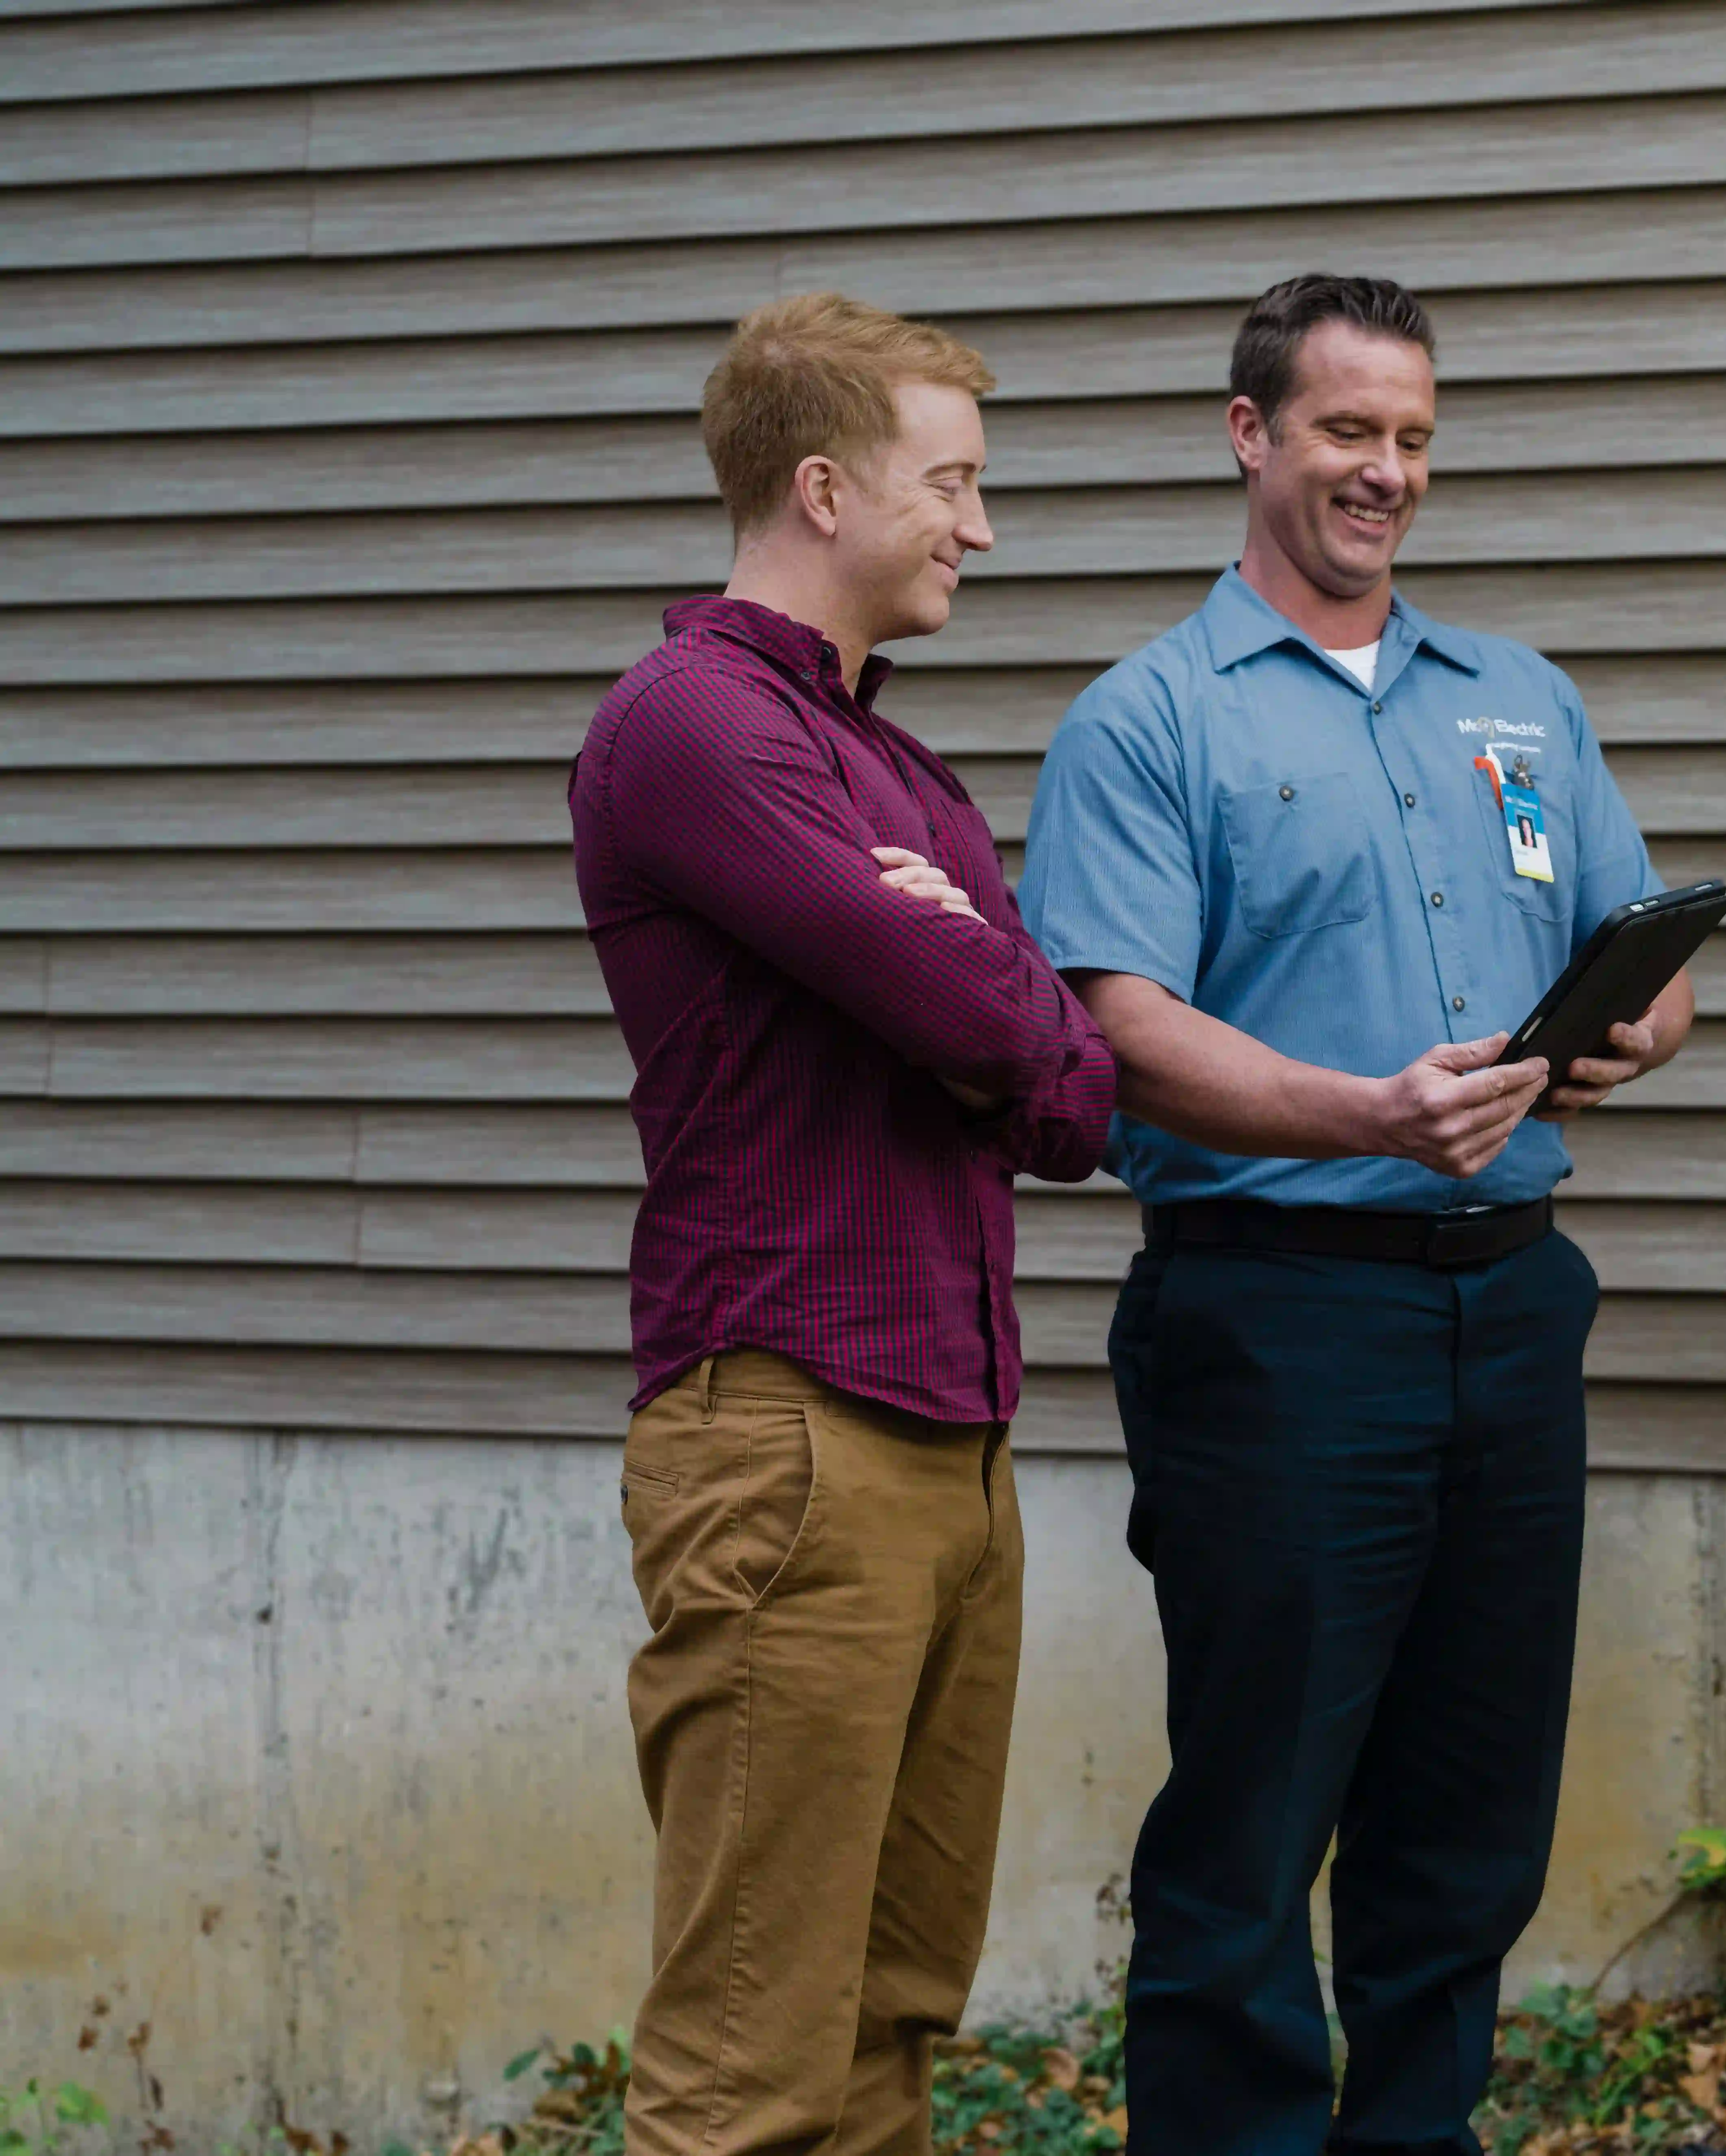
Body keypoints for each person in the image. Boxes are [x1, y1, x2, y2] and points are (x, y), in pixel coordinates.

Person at [1019, 274, 1694, 2152]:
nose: (1383, 473)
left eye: (1410, 439)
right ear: (1251, 438)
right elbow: (1116, 1028)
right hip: (1279, 1316)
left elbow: (1645, 963)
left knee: (1467, 1823)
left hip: (1512, 1305)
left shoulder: (1521, 701)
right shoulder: (1149, 724)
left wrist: (1626, 1022)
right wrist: (1374, 1118)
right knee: (1253, 1826)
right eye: (1345, 433)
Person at [570, 292, 1117, 2156]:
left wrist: (969, 963)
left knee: (887, 2028)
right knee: (750, 2059)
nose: (981, 527)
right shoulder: (693, 732)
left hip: (952, 1448)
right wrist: (979, 972)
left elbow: (1068, 1101)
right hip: (790, 1437)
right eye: (951, 484)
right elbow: (990, 1023)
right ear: (823, 489)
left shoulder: (897, 771)